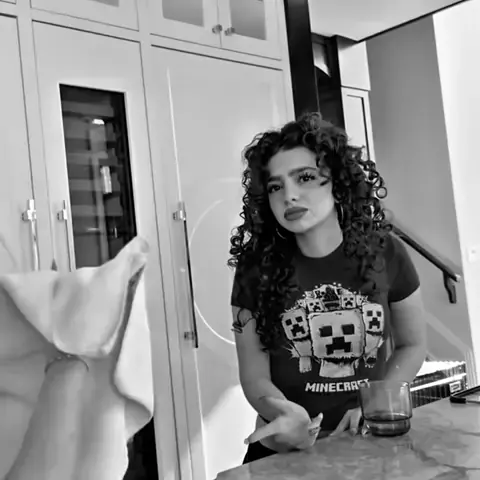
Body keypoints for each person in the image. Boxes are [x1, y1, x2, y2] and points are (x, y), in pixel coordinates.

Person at [228, 113, 427, 464]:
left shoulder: (386, 252)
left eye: (305, 178)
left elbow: (413, 344)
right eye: (275, 187)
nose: (289, 196)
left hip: (367, 445)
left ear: (337, 181)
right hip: (282, 452)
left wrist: (378, 401)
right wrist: (282, 413)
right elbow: (255, 375)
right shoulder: (255, 269)